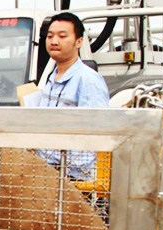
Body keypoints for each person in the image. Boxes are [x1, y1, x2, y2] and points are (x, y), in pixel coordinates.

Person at [35, 11, 110, 179]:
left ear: (79, 42)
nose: (54, 41)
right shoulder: (51, 76)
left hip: (74, 177)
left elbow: (98, 130)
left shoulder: (88, 79)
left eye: (62, 36)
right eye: (50, 36)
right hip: (48, 171)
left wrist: (70, 170)